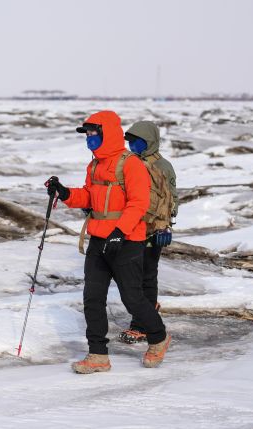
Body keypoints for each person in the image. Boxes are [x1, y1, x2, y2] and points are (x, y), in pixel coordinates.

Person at [45, 110, 172, 374]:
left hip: (127, 241)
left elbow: (139, 203)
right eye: (87, 133)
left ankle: (159, 338)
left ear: (107, 134)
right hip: (99, 239)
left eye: (93, 133)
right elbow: (89, 198)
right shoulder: (94, 166)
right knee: (92, 297)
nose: (89, 138)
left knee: (132, 298)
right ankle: (98, 356)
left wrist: (120, 231)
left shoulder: (131, 164)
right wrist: (66, 193)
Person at [118, 121, 179, 344]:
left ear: (150, 142)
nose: (133, 145)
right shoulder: (128, 163)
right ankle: (147, 312)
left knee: (146, 274)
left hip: (154, 229)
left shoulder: (163, 166)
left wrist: (167, 224)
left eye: (139, 142)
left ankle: (142, 324)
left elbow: (171, 197)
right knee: (133, 275)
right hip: (132, 226)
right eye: (131, 141)